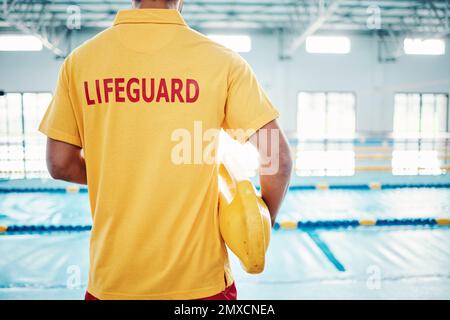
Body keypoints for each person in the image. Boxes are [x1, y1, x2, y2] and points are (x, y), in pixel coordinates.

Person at [39, 0, 293, 300]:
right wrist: (257, 224)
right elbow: (277, 158)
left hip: (112, 283)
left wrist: (118, 174)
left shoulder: (80, 62)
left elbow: (60, 164)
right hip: (201, 284)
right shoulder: (222, 61)